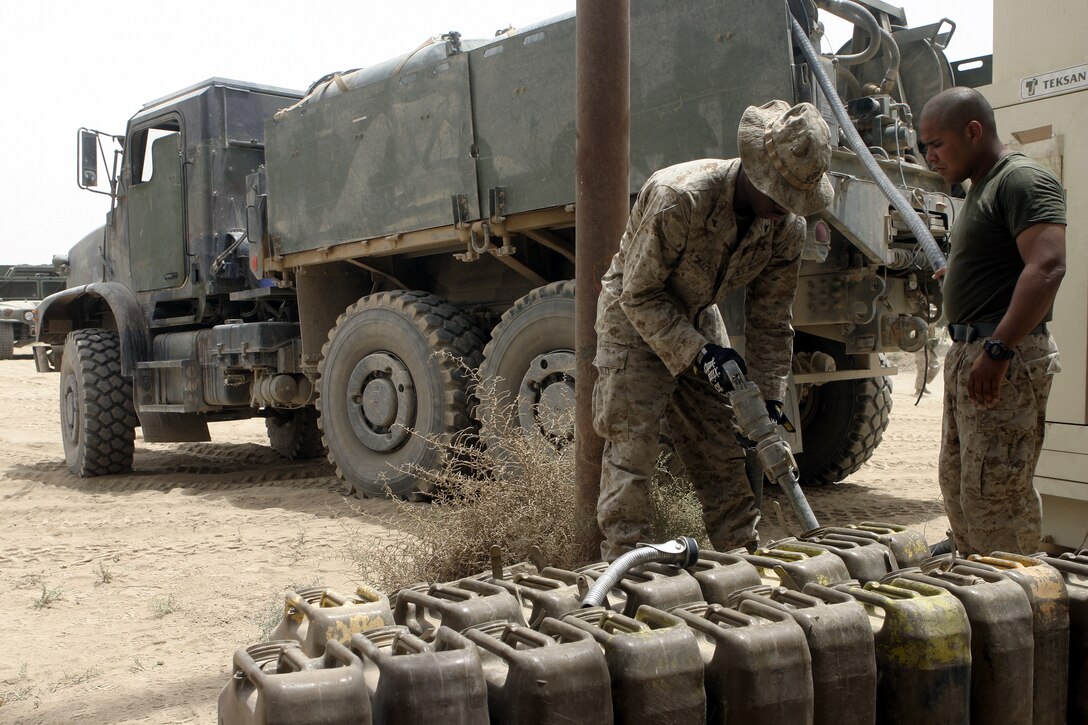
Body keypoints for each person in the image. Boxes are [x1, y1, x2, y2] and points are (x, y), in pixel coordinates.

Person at [592, 100, 834, 560]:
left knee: (723, 447)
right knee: (633, 447)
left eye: (793, 200)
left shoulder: (785, 228)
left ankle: (739, 555)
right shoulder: (679, 197)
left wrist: (766, 396)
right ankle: (624, 562)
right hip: (634, 319)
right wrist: (700, 353)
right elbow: (639, 294)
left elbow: (771, 321)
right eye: (778, 195)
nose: (784, 208)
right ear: (755, 167)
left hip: (699, 315)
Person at [919, 87, 1066, 555]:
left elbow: (1046, 267)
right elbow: (1002, 263)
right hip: (971, 354)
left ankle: (1016, 602)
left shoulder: (1021, 179)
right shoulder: (980, 189)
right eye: (925, 147)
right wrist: (959, 274)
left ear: (974, 132)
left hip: (1004, 357)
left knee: (997, 497)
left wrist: (999, 349)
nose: (930, 157)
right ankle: (979, 587)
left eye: (937, 144)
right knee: (962, 488)